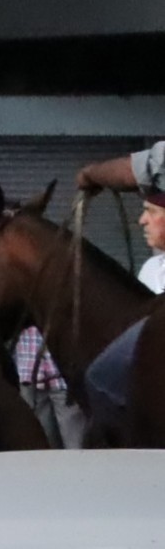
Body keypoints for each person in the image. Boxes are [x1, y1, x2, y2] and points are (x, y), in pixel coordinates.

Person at [68, 144, 165, 437]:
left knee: (102, 378)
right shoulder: (151, 269)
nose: (141, 221)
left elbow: (136, 169)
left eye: (150, 211)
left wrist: (89, 174)